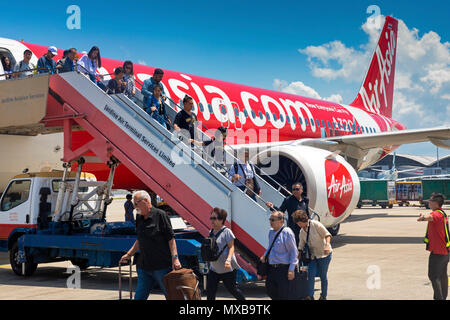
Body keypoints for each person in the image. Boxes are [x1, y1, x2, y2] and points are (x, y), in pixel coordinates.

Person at [120, 190, 182, 300]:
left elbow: (171, 239)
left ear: (145, 201)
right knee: (139, 297)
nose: (134, 207)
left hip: (161, 267)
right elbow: (140, 239)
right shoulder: (139, 217)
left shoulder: (160, 215)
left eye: (136, 203)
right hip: (144, 267)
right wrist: (129, 254)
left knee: (171, 296)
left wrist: (175, 258)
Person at [206, 208, 245, 300]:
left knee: (232, 289)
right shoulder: (211, 232)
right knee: (210, 291)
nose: (212, 221)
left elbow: (231, 247)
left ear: (221, 220)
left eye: (214, 218)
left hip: (227, 268)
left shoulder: (227, 232)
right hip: (214, 268)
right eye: (211, 218)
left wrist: (228, 260)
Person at [294, 209, 332, 300]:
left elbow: (327, 235)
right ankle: (310, 296)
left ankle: (323, 296)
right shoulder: (302, 231)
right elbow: (301, 244)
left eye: (298, 223)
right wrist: (298, 253)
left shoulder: (316, 225)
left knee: (323, 275)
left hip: (324, 255)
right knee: (310, 274)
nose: (298, 225)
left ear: (303, 220)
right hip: (313, 256)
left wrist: (327, 245)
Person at [417, 193, 449, 300]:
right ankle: (443, 297)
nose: (428, 202)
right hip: (445, 251)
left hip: (438, 252)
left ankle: (439, 298)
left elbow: (430, 217)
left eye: (430, 200)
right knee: (442, 275)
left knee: (433, 276)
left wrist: (422, 218)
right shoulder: (442, 214)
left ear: (435, 203)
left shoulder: (437, 214)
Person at [260, 211, 298, 300]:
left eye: (273, 220)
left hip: (283, 269)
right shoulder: (271, 232)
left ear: (281, 221)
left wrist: (291, 269)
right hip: (272, 268)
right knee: (270, 290)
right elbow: (270, 246)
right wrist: (265, 255)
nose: (271, 222)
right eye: (270, 219)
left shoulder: (287, 232)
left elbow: (293, 251)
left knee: (284, 295)